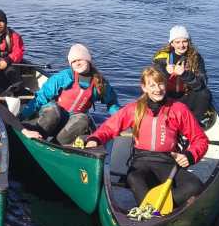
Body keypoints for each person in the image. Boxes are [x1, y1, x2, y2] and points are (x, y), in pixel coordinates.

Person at [85, 66, 208, 209]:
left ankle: (154, 208)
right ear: (144, 88)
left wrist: (190, 155)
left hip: (167, 162)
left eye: (160, 84)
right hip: (141, 163)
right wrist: (95, 139)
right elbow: (108, 128)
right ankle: (154, 209)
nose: (158, 89)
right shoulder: (134, 109)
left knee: (195, 186)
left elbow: (200, 139)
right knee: (133, 177)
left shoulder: (178, 109)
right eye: (152, 85)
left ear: (165, 85)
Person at [20, 44, 119, 145]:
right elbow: (41, 98)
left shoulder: (100, 83)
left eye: (80, 59)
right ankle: (38, 137)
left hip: (71, 124)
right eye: (74, 61)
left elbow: (112, 103)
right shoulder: (64, 77)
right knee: (53, 112)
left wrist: (120, 120)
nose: (77, 63)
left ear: (88, 60)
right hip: (53, 117)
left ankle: (57, 145)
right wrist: (21, 116)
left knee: (84, 120)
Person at [152, 25, 213, 123]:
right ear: (172, 43)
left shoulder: (196, 58)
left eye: (184, 41)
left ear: (189, 42)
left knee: (204, 93)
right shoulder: (161, 58)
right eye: (177, 42)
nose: (181, 45)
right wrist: (166, 73)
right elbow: (153, 83)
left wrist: (185, 74)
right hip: (166, 97)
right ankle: (158, 120)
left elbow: (202, 83)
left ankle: (193, 123)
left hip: (186, 96)